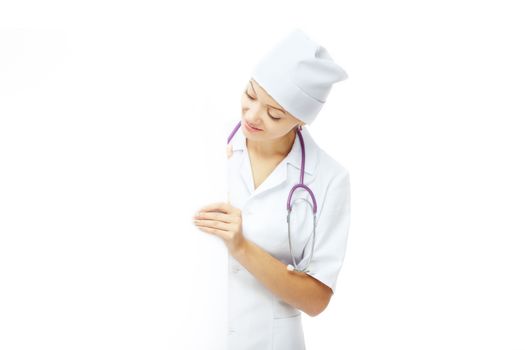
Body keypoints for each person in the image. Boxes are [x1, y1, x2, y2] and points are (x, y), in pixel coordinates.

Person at [192, 28, 350, 350]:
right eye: (250, 95)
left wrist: (242, 248)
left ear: (301, 120)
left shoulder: (329, 179)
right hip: (193, 330)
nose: (251, 116)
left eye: (274, 114)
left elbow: (316, 299)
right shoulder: (205, 144)